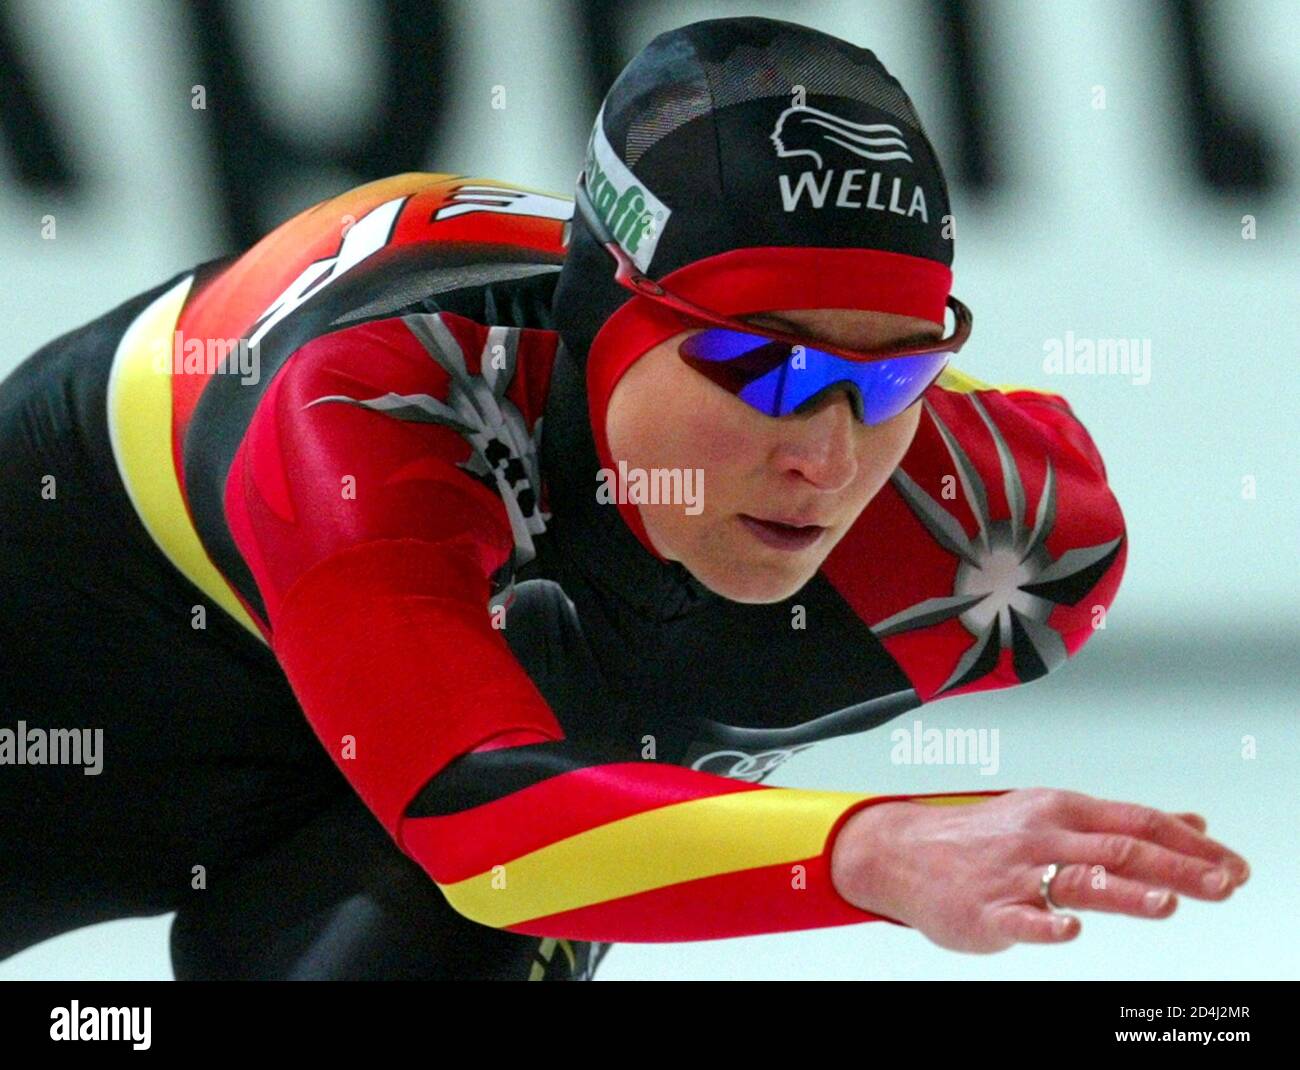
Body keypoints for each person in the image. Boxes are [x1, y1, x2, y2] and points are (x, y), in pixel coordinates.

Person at [0, 16, 1246, 981]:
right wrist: (872, 847)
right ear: (603, 317)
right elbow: (478, 822)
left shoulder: (998, 529)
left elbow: (498, 832)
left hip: (480, 715)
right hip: (90, 672)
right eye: (762, 367)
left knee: (571, 692)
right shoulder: (374, 396)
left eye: (894, 376)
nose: (828, 458)